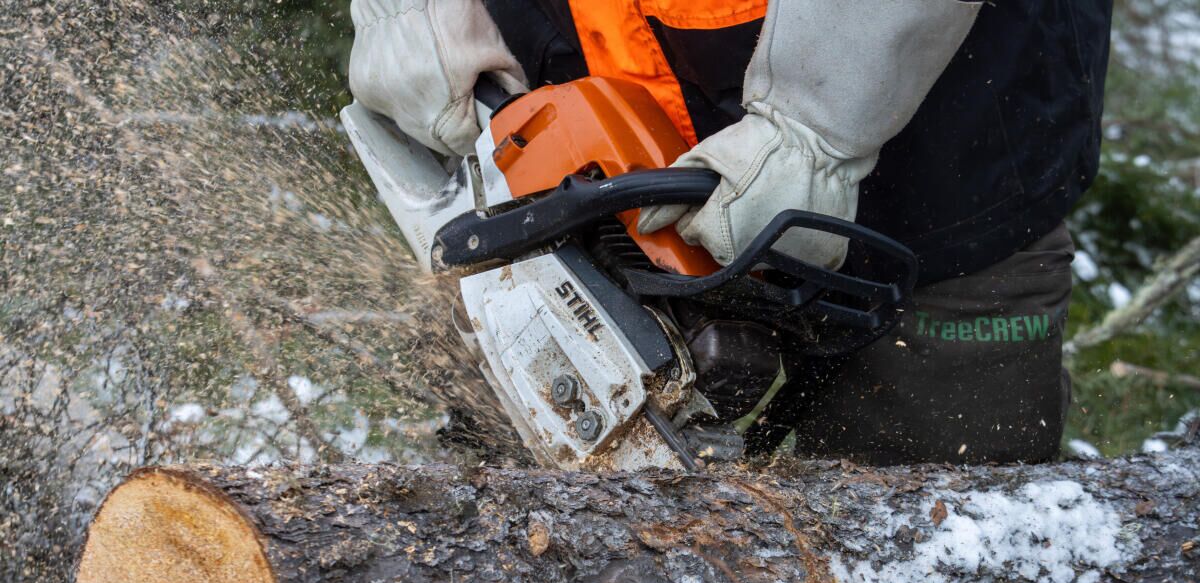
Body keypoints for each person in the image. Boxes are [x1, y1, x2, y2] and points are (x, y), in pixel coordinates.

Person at [347, 0, 1113, 466]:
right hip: (585, 144)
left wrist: (815, 126)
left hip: (940, 165)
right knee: (515, 532)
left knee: (942, 532)